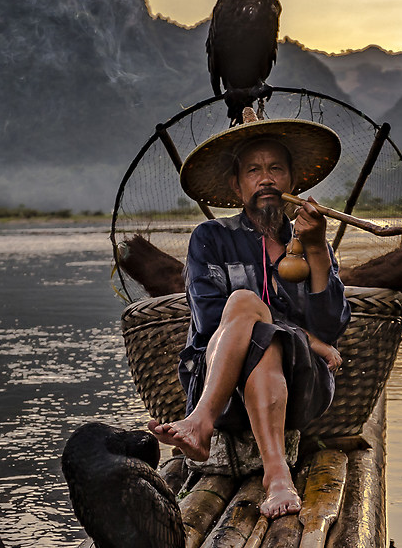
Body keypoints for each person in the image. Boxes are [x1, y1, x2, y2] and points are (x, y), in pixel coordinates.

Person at [148, 121, 349, 519]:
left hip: (300, 391)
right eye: (253, 171)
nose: (266, 179)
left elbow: (332, 326)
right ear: (237, 185)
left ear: (292, 178)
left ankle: (198, 424)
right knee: (251, 321)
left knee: (252, 315)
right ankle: (277, 477)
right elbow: (208, 322)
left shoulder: (311, 240)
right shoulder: (211, 238)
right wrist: (307, 337)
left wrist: (316, 250)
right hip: (224, 387)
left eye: (276, 169)